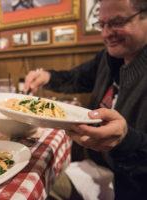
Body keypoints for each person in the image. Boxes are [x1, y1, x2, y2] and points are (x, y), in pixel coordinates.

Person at [24, 0, 147, 199]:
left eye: (117, 22)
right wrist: (48, 77)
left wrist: (126, 140)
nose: (106, 33)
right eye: (102, 24)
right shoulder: (108, 59)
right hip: (96, 168)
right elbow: (77, 78)